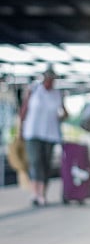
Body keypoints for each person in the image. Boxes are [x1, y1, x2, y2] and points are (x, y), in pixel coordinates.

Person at [20, 65, 68, 207]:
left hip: (50, 134)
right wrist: (20, 130)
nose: (50, 81)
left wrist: (58, 118)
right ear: (44, 78)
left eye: (52, 79)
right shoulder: (33, 90)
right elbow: (24, 110)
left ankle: (42, 194)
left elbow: (65, 113)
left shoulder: (57, 94)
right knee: (35, 162)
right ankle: (36, 194)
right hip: (32, 132)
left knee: (46, 165)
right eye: (48, 78)